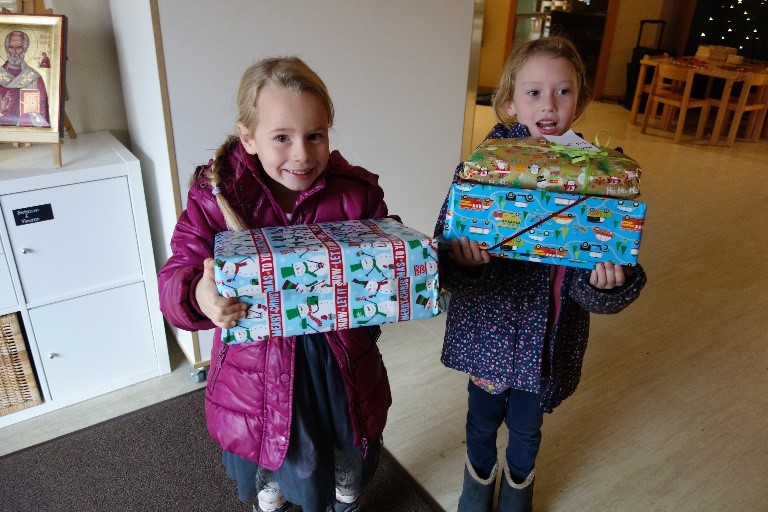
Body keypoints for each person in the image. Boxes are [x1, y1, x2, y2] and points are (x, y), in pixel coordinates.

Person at [158, 56, 393, 512]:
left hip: (339, 362)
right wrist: (198, 295)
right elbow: (179, 270)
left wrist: (409, 262)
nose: (302, 154)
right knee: (272, 464)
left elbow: (388, 247)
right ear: (247, 137)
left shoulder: (355, 192)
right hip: (257, 371)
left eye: (315, 136)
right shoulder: (216, 196)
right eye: (281, 138)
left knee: (346, 455)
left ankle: (345, 500)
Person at [434, 36, 647, 512]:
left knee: (529, 427)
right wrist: (462, 260)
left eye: (563, 92)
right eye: (533, 92)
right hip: (488, 331)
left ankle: (517, 491)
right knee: (482, 418)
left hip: (546, 340)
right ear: (509, 101)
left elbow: (613, 252)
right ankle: (476, 484)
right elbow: (446, 237)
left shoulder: (599, 175)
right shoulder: (480, 169)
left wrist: (604, 283)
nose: (548, 105)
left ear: (581, 99)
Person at [0, 30, 50, 127]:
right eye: (11, 47)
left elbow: (42, 114)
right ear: (6, 49)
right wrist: (1, 110)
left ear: (25, 49)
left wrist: (25, 118)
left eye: (19, 48)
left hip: (25, 129)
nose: (14, 52)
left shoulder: (34, 78)